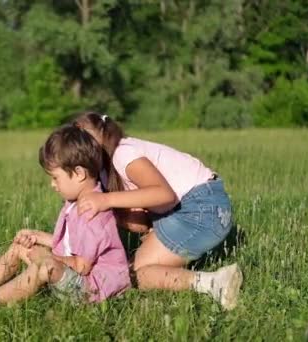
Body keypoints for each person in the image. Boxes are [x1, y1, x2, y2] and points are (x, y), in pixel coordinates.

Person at [0, 124, 130, 308]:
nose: (52, 185)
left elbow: (82, 266)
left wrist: (49, 257)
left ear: (79, 173)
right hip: (71, 277)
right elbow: (72, 244)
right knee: (22, 247)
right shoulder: (76, 203)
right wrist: (38, 237)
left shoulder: (94, 214)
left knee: (44, 265)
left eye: (55, 178)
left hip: (90, 290)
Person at [71, 111, 242, 310]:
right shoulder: (107, 169)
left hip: (202, 208)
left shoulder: (123, 154)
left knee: (132, 275)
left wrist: (106, 200)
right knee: (132, 271)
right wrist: (108, 211)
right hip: (204, 208)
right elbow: (140, 224)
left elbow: (164, 195)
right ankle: (207, 279)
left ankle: (214, 283)